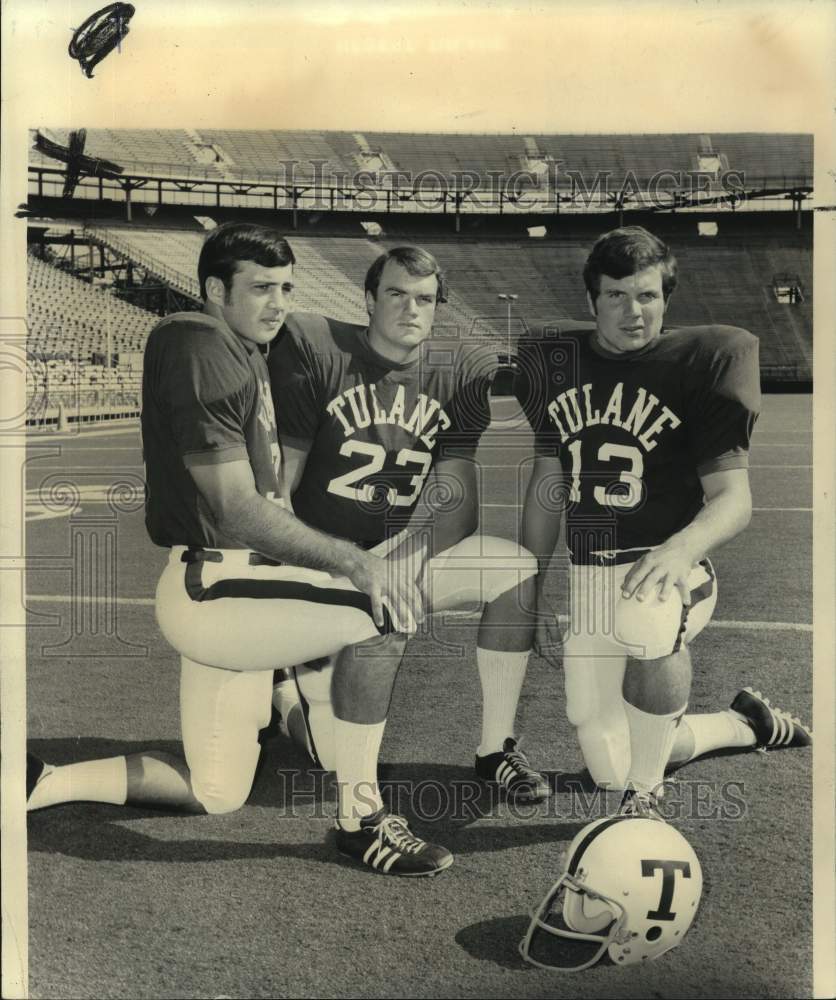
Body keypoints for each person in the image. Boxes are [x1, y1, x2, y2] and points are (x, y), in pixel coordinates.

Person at [26, 223, 426, 832]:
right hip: (212, 585)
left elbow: (271, 497)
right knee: (384, 611)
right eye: (262, 287)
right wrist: (351, 560)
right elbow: (237, 508)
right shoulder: (200, 341)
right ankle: (364, 825)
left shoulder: (244, 348)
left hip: (242, 587)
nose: (280, 304)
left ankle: (45, 782)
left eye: (287, 288)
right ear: (215, 288)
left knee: (215, 791)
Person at [268, 245, 548, 875]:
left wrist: (406, 560)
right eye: (396, 294)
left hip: (392, 549)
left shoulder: (460, 371)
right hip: (317, 552)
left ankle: (494, 748)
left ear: (437, 308)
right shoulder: (317, 347)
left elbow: (454, 503)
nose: (410, 309)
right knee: (328, 748)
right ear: (368, 299)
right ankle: (355, 813)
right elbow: (280, 487)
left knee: (517, 572)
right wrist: (315, 566)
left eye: (424, 299)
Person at [515, 226, 811, 816]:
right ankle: (740, 724)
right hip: (591, 575)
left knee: (645, 623)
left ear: (666, 299)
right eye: (617, 296)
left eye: (648, 296)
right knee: (605, 755)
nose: (634, 311)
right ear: (592, 301)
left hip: (674, 568)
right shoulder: (555, 362)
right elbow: (550, 484)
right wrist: (531, 584)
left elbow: (732, 498)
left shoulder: (704, 360)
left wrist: (678, 550)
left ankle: (645, 799)